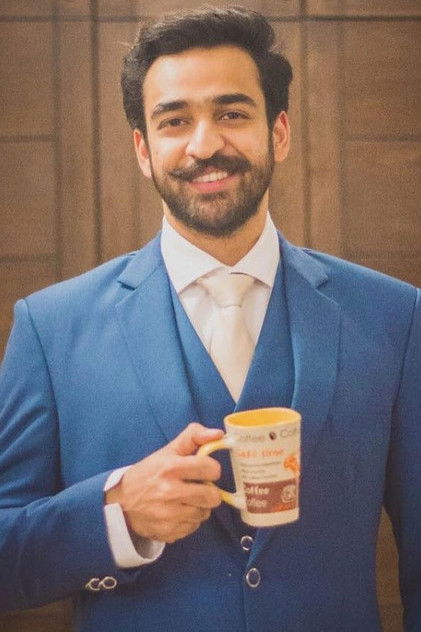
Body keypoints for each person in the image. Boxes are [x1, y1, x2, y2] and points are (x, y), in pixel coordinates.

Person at [0, 6, 419, 632]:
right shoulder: (50, 328)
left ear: (278, 133)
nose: (204, 145)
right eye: (174, 121)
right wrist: (117, 514)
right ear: (143, 150)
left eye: (231, 114)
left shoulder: (395, 317)